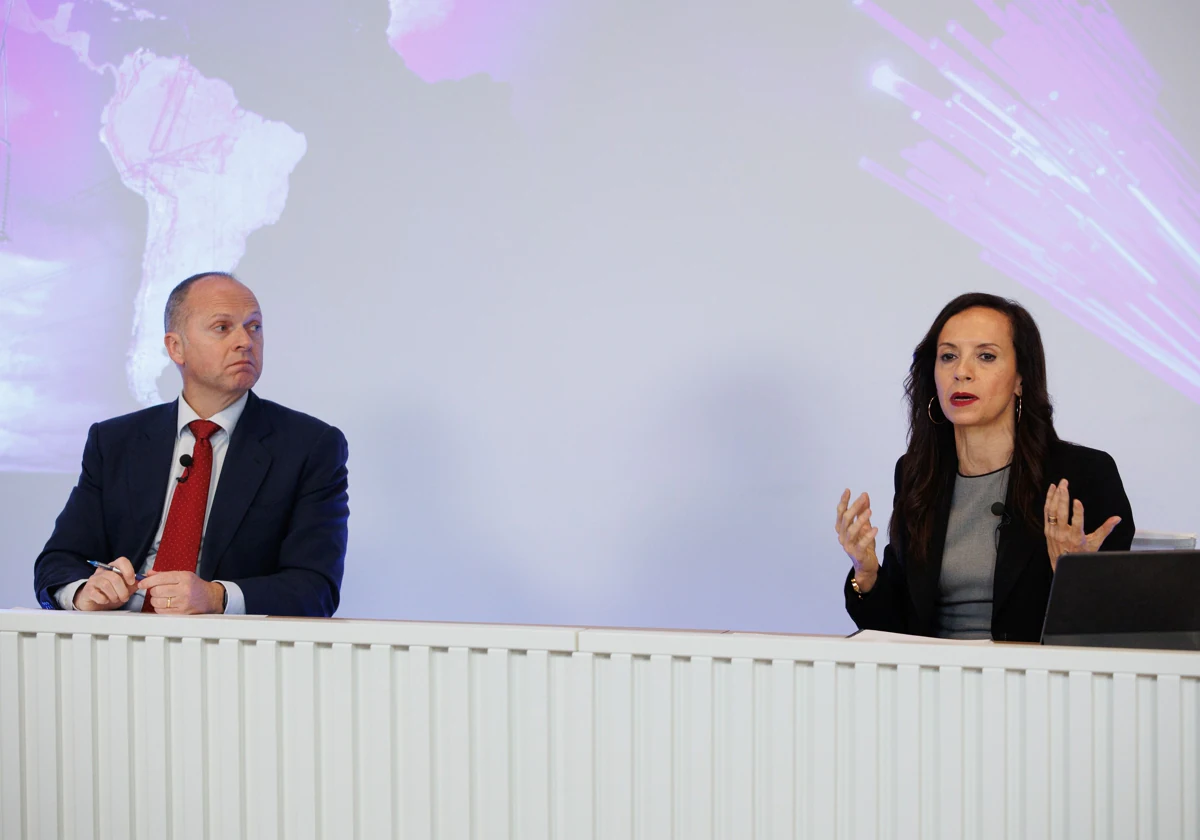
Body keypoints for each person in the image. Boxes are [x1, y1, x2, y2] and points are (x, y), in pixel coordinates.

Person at [33, 272, 348, 616]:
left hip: (231, 650)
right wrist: (83, 593)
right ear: (176, 347)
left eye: (254, 326)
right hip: (119, 640)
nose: (245, 341)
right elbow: (58, 561)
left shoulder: (309, 446)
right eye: (223, 327)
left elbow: (316, 589)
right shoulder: (115, 442)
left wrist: (216, 597)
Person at [836, 293, 1134, 641]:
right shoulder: (918, 474)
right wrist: (867, 575)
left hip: (1038, 686)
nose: (961, 372)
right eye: (948, 356)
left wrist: (1076, 580)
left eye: (986, 356)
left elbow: (1116, 630)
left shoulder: (1082, 475)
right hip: (930, 683)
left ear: (1020, 378)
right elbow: (896, 631)